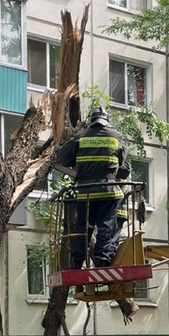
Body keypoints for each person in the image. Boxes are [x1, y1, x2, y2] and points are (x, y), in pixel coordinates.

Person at [57, 106, 130, 269]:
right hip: (108, 191)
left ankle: (77, 261)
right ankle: (102, 259)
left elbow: (64, 158)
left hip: (86, 193)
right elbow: (122, 165)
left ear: (91, 121)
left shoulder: (80, 137)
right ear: (106, 121)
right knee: (106, 225)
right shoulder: (116, 136)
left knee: (83, 227)